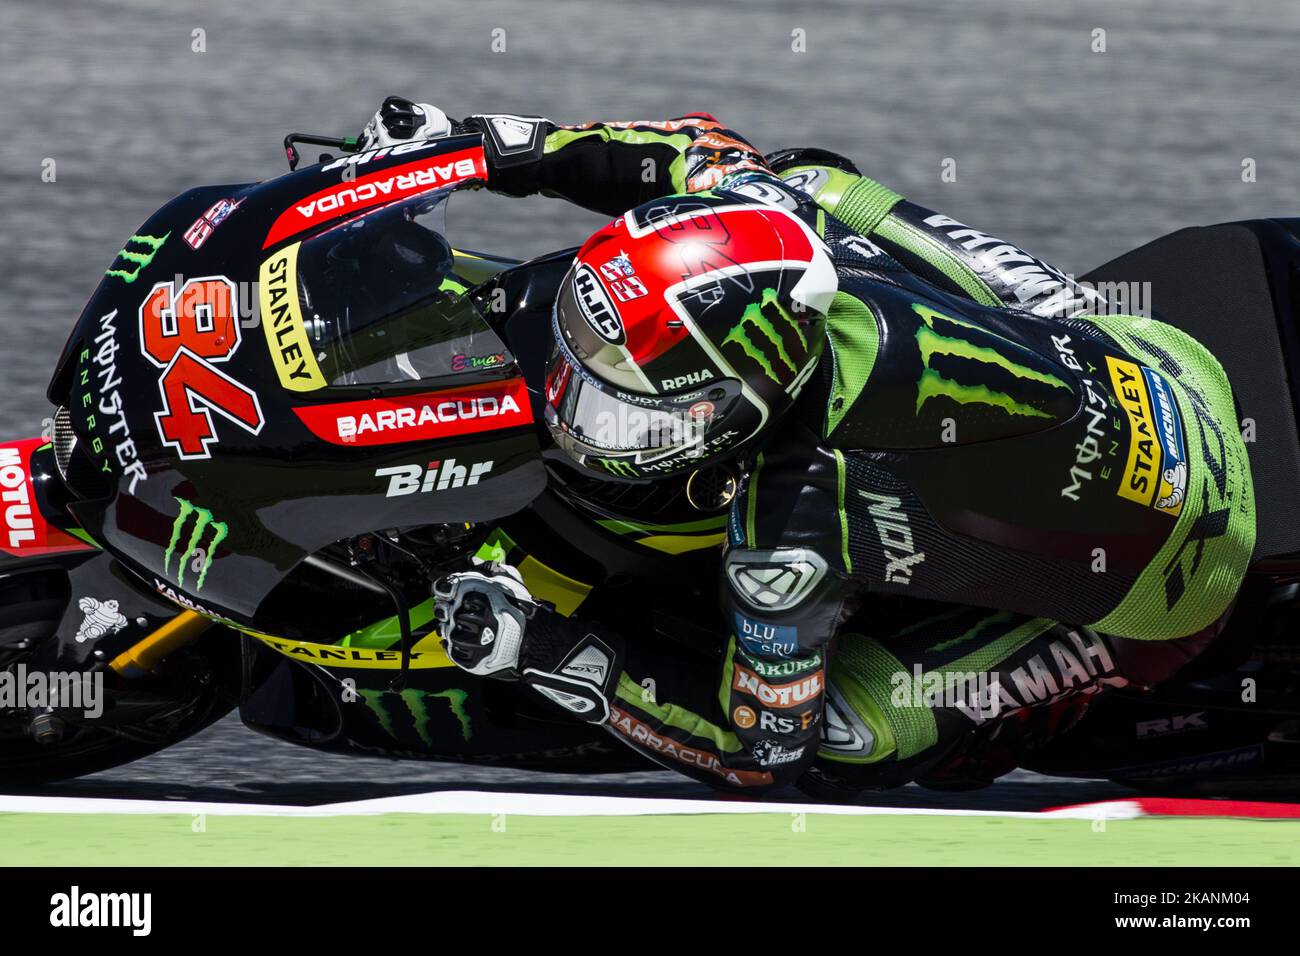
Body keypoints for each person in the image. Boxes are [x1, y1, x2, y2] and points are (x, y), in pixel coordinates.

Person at [359, 98, 1256, 791]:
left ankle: (1086, 652)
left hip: (1176, 576)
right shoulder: (766, 205)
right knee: (819, 182)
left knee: (840, 742)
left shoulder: (789, 521)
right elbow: (687, 148)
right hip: (1161, 361)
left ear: (734, 405)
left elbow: (758, 752)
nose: (572, 403)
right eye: (582, 360)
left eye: (620, 404)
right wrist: (491, 146)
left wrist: (545, 653)